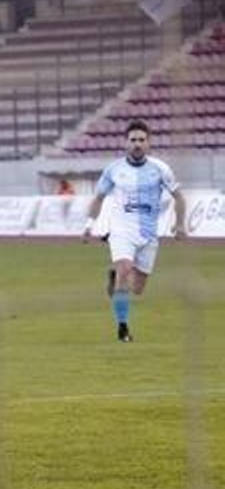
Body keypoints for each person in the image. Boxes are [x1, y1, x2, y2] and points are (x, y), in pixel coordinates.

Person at [82, 119, 187, 343]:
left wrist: (180, 224)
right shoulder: (114, 170)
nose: (137, 144)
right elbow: (98, 198)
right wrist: (88, 226)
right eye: (133, 140)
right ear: (126, 144)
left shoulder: (161, 169)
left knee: (138, 289)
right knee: (125, 269)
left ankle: (114, 275)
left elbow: (179, 196)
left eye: (141, 140)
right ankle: (122, 328)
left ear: (149, 143)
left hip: (149, 234)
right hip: (121, 230)